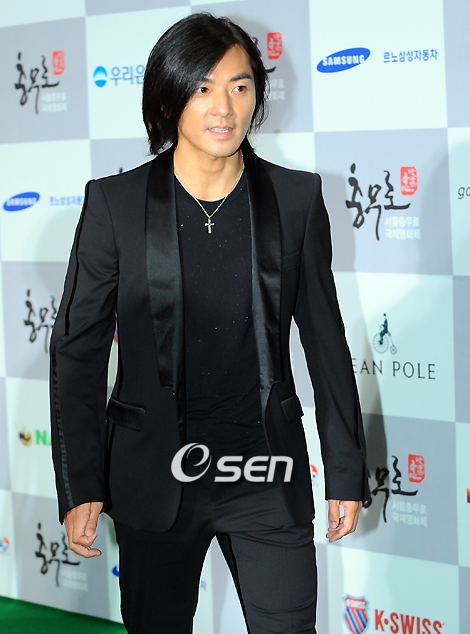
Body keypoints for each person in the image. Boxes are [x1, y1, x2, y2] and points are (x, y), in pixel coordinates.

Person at [50, 12, 369, 634]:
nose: (224, 107)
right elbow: (77, 353)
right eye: (202, 87)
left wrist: (345, 470)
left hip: (267, 476)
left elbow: (326, 342)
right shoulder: (115, 205)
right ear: (168, 99)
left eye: (240, 86)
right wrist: (80, 482)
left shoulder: (297, 199)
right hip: (155, 476)